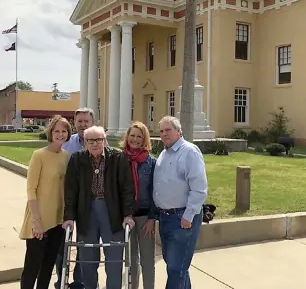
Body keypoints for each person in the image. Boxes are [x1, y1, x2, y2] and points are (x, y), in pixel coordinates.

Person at [63, 125, 135, 289]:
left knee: (115, 259)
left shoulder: (117, 157)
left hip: (112, 212)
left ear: (104, 140)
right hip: (86, 212)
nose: (95, 144)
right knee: (88, 259)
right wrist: (69, 217)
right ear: (85, 142)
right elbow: (70, 191)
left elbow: (127, 189)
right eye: (91, 141)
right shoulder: (77, 159)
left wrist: (128, 215)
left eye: (99, 140)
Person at [153, 116, 208, 289]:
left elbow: (199, 188)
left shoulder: (189, 152)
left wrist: (188, 216)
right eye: (161, 131)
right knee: (177, 266)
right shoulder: (164, 153)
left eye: (168, 130)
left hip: (182, 218)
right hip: (165, 218)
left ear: (178, 131)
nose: (164, 134)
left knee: (177, 268)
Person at [19, 115, 72, 289]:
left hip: (58, 220)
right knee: (32, 267)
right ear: (50, 132)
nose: (60, 134)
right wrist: (37, 221)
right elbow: (31, 190)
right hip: (39, 219)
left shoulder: (66, 156)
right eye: (57, 131)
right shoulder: (39, 155)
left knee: (48, 266)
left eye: (64, 131)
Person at [55, 107, 96, 289]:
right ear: (75, 122)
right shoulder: (66, 144)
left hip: (90, 203)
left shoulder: (100, 143)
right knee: (62, 244)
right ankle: (61, 279)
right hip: (67, 201)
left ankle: (79, 281)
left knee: (84, 244)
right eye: (80, 121)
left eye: (86, 121)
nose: (83, 124)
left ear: (92, 122)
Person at [120, 121, 157, 289]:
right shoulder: (119, 159)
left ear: (144, 140)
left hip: (145, 218)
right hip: (126, 218)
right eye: (132, 135)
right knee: (130, 260)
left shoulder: (151, 162)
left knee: (147, 260)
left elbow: (155, 193)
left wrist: (152, 218)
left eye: (139, 137)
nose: (135, 139)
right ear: (127, 137)